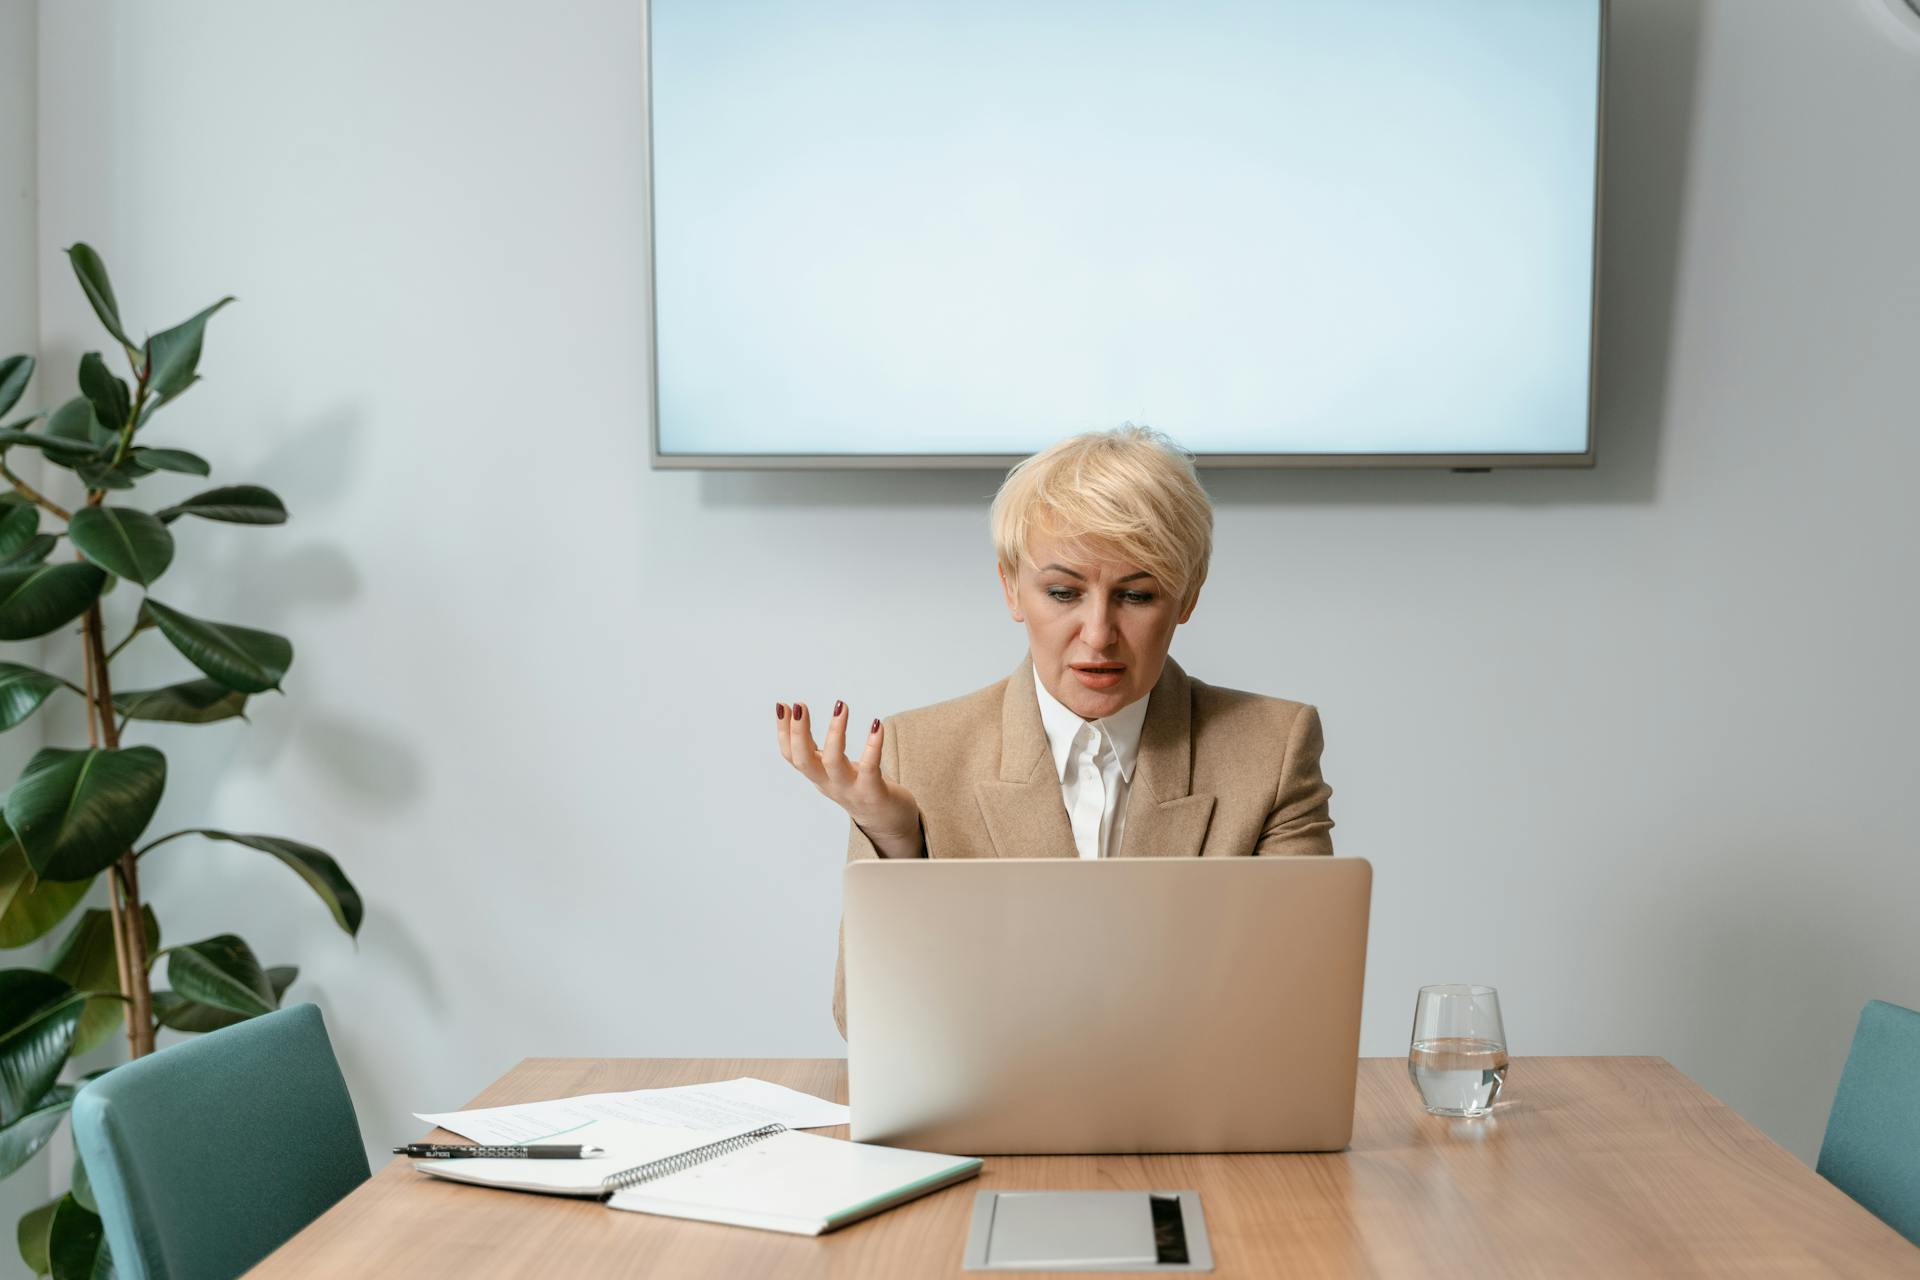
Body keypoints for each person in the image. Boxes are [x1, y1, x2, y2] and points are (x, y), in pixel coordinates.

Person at [774, 426, 1334, 1037]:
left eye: (1138, 595)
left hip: (1192, 1121)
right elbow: (869, 1025)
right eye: (1064, 592)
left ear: (1188, 596)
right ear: (1012, 587)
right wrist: (897, 847)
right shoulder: (918, 752)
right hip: (989, 1119)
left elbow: (1296, 1007)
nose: (1098, 634)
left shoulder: (1275, 747)